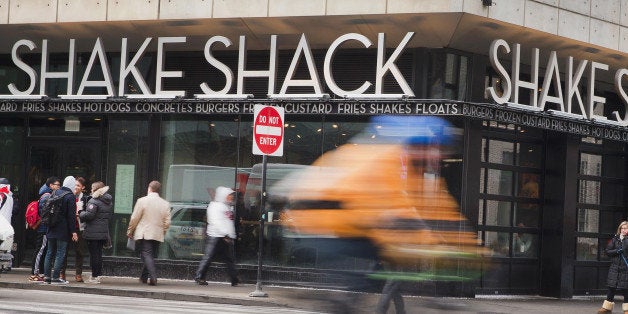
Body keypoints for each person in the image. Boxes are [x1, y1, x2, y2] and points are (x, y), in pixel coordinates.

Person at [127, 181, 171, 286]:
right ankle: (143, 277)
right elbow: (167, 222)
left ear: (149, 188)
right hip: (157, 233)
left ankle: (153, 277)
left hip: (145, 233)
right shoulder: (165, 204)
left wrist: (130, 231)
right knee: (149, 255)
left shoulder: (142, 201)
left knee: (146, 254)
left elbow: (134, 218)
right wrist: (162, 231)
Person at [194, 186, 239, 286]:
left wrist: (230, 234)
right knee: (209, 257)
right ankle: (199, 276)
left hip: (223, 237)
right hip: (215, 236)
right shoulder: (215, 206)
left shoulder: (226, 207)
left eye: (231, 196)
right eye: (229, 195)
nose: (231, 197)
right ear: (223, 196)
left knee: (228, 259)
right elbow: (216, 221)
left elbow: (228, 222)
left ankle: (234, 279)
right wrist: (226, 234)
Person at [43, 176, 78, 284]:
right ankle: (56, 277)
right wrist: (73, 231)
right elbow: (71, 216)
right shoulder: (70, 196)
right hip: (62, 229)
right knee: (60, 252)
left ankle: (47, 277)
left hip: (51, 227)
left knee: (49, 252)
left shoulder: (55, 192)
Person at [28, 177, 60, 283]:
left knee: (43, 250)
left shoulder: (46, 195)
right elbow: (45, 214)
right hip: (43, 228)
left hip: (44, 228)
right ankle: (34, 273)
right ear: (51, 185)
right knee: (40, 250)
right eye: (57, 184)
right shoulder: (47, 197)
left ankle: (39, 272)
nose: (58, 187)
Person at [79, 181, 112, 284]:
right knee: (98, 254)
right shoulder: (107, 200)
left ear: (96, 190)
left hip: (93, 232)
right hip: (103, 232)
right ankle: (98, 275)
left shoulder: (94, 201)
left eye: (92, 188)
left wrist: (80, 213)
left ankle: (94, 276)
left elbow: (89, 215)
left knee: (94, 255)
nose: (90, 190)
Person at [62, 177, 89, 282]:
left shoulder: (85, 198)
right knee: (64, 250)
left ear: (83, 187)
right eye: (75, 185)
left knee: (79, 251)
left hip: (79, 228)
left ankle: (78, 273)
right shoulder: (68, 196)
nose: (76, 187)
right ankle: (62, 273)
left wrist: (80, 215)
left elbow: (88, 213)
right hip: (68, 228)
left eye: (78, 185)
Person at [598, 221, 628, 314]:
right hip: (614, 268)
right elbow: (607, 251)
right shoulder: (615, 239)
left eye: (626, 228)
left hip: (625, 268)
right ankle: (607, 308)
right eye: (622, 228)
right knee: (611, 287)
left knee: (626, 289)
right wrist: (616, 251)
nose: (624, 230)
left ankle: (627, 309)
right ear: (620, 229)